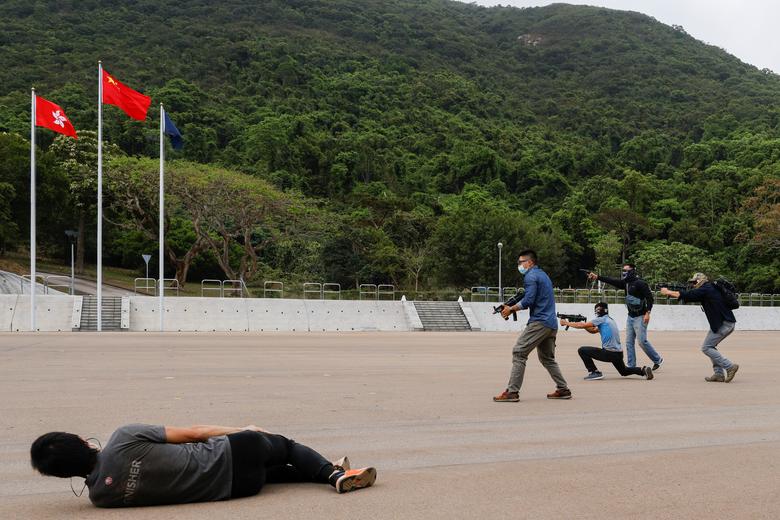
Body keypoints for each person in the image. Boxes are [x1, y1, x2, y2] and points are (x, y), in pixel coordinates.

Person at [30, 423, 376, 508]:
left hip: (234, 489)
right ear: (81, 441)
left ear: (64, 474)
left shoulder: (100, 499)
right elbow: (193, 433)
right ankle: (335, 474)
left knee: (281, 473)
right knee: (284, 447)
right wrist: (244, 431)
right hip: (229, 455)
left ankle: (323, 467)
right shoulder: (122, 438)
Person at [494, 249, 572, 402]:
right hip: (550, 323)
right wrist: (511, 305)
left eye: (520, 262)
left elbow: (528, 300)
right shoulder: (543, 275)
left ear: (529, 262)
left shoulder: (531, 276)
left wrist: (511, 309)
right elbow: (531, 297)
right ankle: (563, 389)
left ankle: (512, 392)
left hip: (540, 322)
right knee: (547, 358)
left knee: (519, 352)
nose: (519, 265)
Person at [661, 273, 739, 382]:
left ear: (700, 280)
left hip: (723, 324)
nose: (693, 285)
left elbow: (688, 295)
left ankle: (730, 366)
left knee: (706, 348)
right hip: (723, 323)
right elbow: (691, 294)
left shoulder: (706, 289)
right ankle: (719, 374)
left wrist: (668, 292)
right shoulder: (710, 288)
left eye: (694, 282)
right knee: (711, 347)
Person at [587, 263, 664, 370]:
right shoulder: (625, 284)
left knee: (642, 341)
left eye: (626, 270)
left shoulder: (641, 283)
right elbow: (612, 281)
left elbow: (650, 298)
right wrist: (598, 277)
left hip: (641, 316)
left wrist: (648, 313)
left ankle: (657, 360)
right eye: (623, 270)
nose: (623, 272)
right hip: (630, 317)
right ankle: (631, 365)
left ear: (632, 271)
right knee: (629, 342)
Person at [560, 302, 654, 381]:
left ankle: (594, 372)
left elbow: (582, 325)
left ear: (597, 311)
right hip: (618, 353)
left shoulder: (601, 319)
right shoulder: (609, 320)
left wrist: (566, 323)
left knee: (582, 350)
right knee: (624, 371)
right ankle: (643, 370)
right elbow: (593, 330)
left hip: (609, 353)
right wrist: (585, 326)